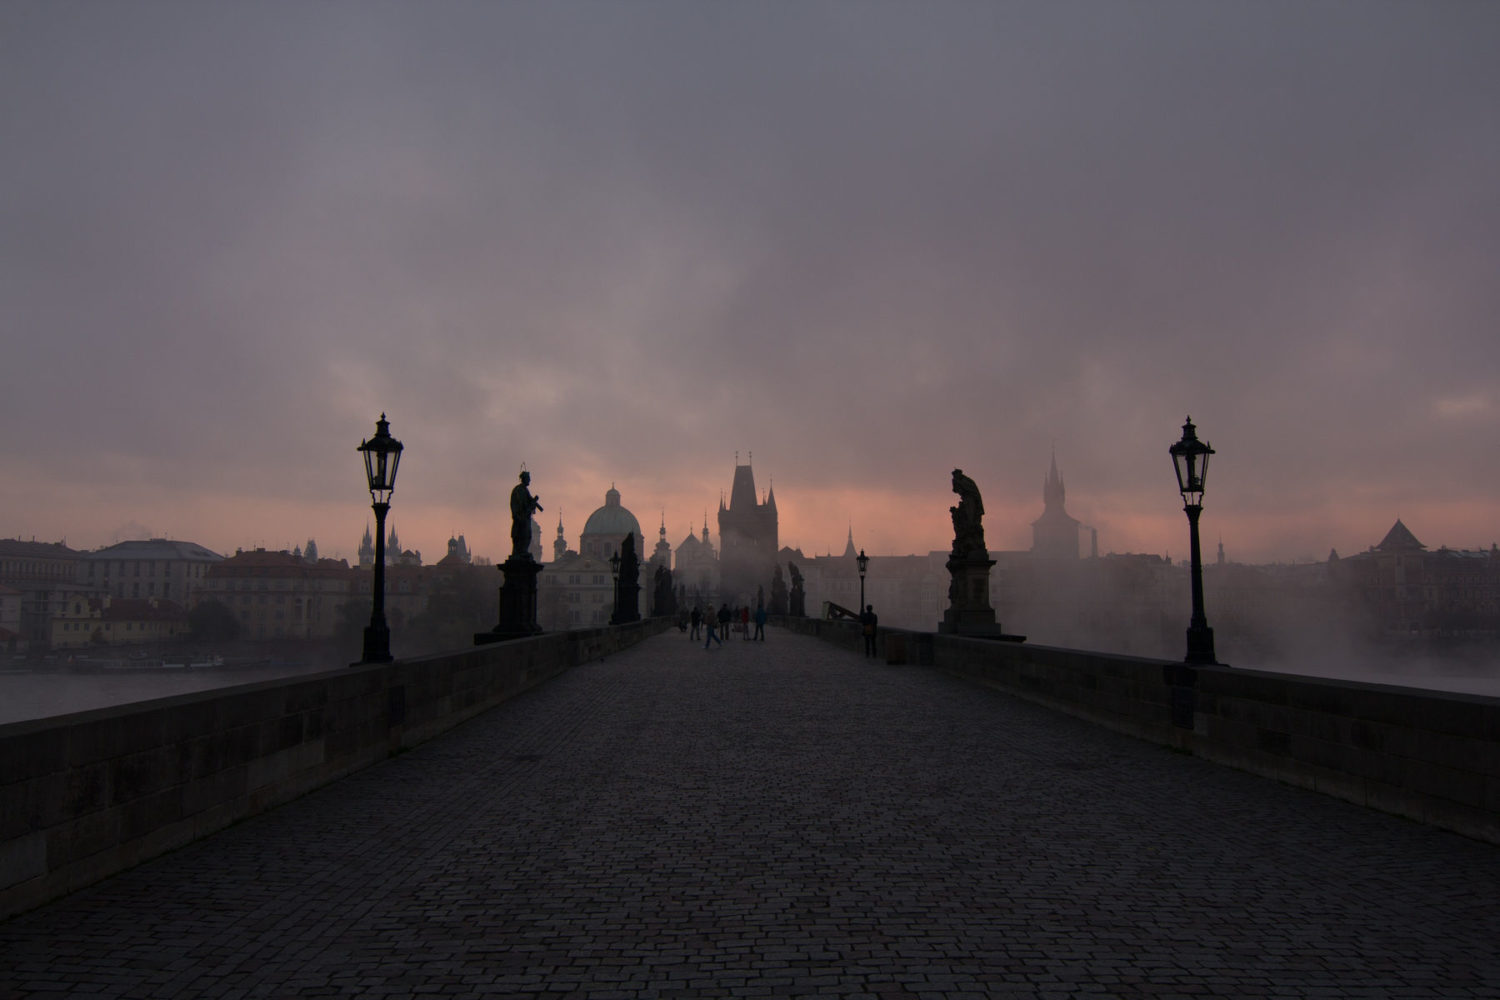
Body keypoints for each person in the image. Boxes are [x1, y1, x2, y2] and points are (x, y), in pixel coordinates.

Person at [510, 470, 543, 560]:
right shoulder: (520, 490)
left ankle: (523, 552)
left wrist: (532, 503)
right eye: (529, 478)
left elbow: (527, 503)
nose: (530, 480)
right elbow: (523, 505)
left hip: (524, 518)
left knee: (527, 535)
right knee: (523, 535)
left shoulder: (524, 490)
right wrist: (532, 503)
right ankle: (521, 552)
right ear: (524, 479)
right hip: (521, 519)